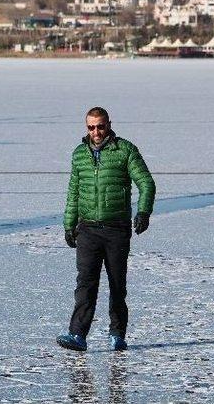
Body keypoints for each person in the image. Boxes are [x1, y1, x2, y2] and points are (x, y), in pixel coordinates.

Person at [57, 107, 156, 352]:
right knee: (85, 284)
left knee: (117, 285)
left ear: (109, 124)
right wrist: (69, 224)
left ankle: (117, 334)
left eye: (100, 126)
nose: (96, 132)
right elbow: (73, 192)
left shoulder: (125, 150)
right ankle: (77, 335)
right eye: (91, 127)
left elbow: (146, 183)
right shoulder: (80, 154)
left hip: (116, 229)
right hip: (87, 229)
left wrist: (143, 212)